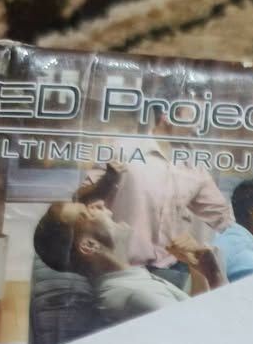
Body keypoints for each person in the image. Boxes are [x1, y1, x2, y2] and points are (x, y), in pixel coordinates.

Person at [74, 74, 232, 289]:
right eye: (195, 114)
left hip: (174, 272)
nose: (199, 125)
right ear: (167, 113)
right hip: (122, 270)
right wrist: (107, 180)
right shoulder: (122, 148)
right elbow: (81, 202)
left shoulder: (195, 165)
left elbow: (223, 218)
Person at [32, 200, 222, 325]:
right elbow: (208, 342)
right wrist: (215, 277)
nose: (99, 204)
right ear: (89, 245)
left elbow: (192, 315)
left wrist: (197, 270)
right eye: (87, 212)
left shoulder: (129, 284)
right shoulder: (135, 297)